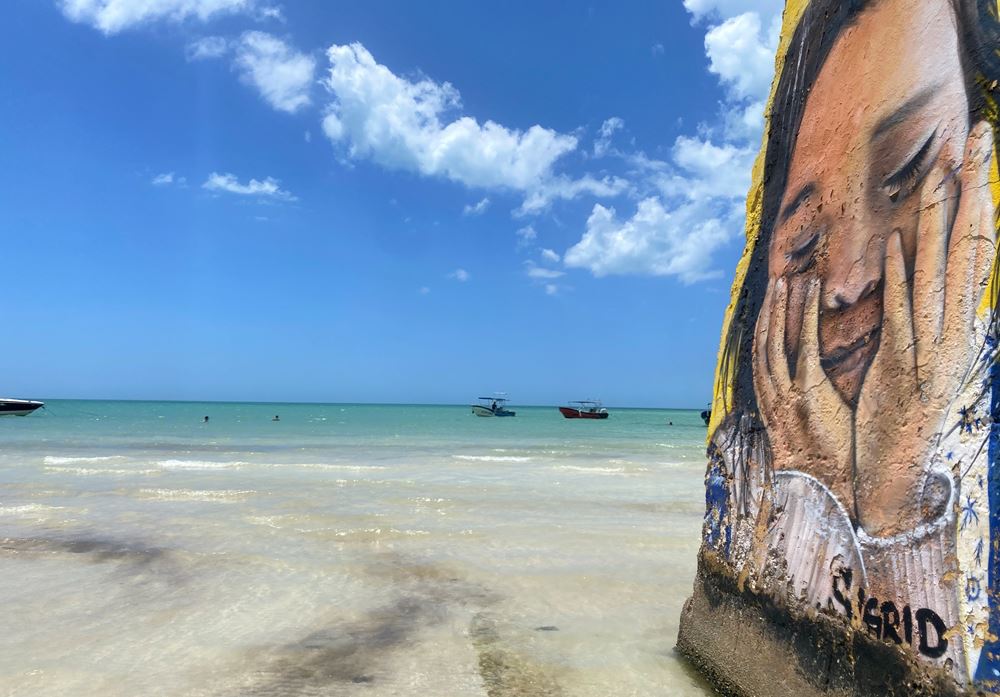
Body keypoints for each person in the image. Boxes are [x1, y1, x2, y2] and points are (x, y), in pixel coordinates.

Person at [704, 0, 999, 684]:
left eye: (908, 176)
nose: (847, 282)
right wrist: (815, 479)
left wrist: (895, 498)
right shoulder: (743, 456)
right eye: (804, 243)